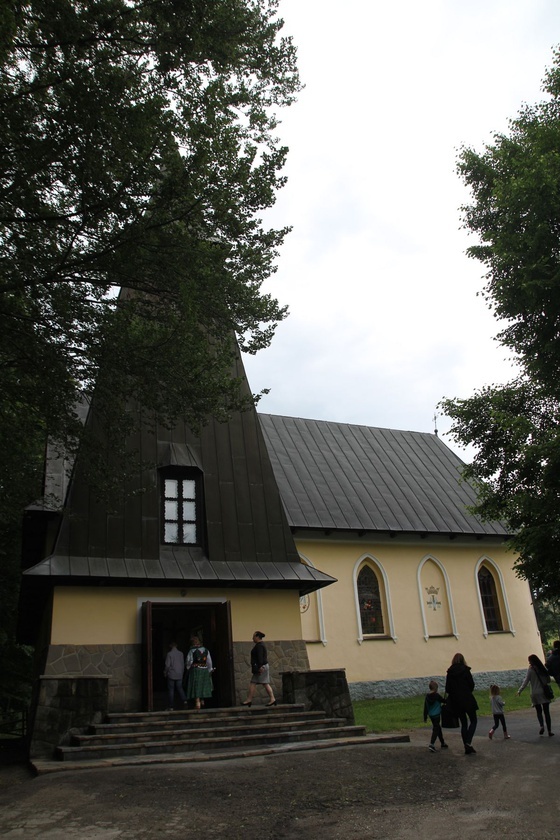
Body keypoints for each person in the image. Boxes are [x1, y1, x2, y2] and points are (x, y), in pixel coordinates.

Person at [445, 652, 479, 754]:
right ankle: (468, 742)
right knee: (473, 720)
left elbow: (447, 689)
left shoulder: (450, 672)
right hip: (467, 699)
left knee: (464, 723)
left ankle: (466, 746)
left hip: (456, 701)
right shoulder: (466, 670)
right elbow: (471, 684)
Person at [517, 653, 554, 737]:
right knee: (546, 712)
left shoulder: (530, 670)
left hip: (534, 693)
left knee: (539, 711)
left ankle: (541, 726)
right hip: (543, 692)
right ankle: (549, 730)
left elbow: (526, 681)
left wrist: (520, 690)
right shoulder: (542, 668)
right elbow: (548, 680)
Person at [242, 631, 277, 707]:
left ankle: (250, 699)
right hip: (263, 666)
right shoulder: (260, 645)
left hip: (261, 666)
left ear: (257, 637)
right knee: (262, 683)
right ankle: (272, 699)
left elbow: (260, 657)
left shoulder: (260, 646)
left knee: (256, 683)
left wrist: (260, 667)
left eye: (254, 636)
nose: (252, 638)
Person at [185, 635, 214, 710]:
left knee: (196, 685)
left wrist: (188, 667)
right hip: (204, 669)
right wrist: (210, 669)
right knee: (203, 684)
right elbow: (209, 661)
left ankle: (197, 703)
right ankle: (202, 700)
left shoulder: (192, 650)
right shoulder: (205, 650)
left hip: (195, 669)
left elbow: (189, 661)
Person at [423, 679, 448, 752]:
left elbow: (425, 707)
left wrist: (425, 717)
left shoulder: (427, 696)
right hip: (437, 714)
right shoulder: (437, 695)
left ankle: (442, 742)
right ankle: (432, 744)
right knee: (436, 728)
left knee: (437, 727)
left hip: (431, 715)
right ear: (436, 688)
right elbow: (444, 701)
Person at [164, 641, 187, 710]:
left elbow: (167, 665)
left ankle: (171, 706)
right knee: (180, 688)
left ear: (170, 646)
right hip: (179, 673)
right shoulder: (181, 654)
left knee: (171, 689)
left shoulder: (169, 654)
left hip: (171, 673)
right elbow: (183, 664)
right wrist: (182, 672)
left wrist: (165, 672)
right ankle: (185, 701)